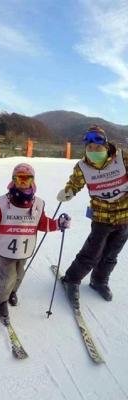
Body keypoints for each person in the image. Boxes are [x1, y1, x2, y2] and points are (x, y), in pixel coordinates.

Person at [0, 163, 71, 322]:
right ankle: (1, 299)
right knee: (8, 276)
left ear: (33, 181)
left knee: (19, 274)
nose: (23, 183)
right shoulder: (3, 202)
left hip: (24, 248)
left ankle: (12, 291)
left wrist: (58, 224)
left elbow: (42, 223)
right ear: (13, 180)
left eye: (27, 179)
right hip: (6, 248)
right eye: (19, 179)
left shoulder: (37, 204)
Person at [56, 125, 128, 309]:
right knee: (92, 253)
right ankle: (71, 280)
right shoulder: (82, 167)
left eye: (97, 147)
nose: (93, 151)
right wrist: (69, 191)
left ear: (105, 145)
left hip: (125, 217)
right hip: (101, 218)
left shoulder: (123, 158)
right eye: (89, 148)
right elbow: (75, 183)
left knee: (111, 254)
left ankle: (99, 281)